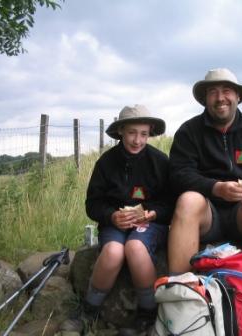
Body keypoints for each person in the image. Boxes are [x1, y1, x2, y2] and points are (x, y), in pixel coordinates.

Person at [168, 68, 242, 277]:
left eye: (227, 90)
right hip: (207, 215)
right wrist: (216, 188)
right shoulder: (188, 131)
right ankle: (181, 290)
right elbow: (178, 176)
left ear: (238, 96)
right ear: (205, 99)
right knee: (188, 200)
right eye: (213, 92)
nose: (220, 98)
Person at [76, 105, 172, 334]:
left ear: (150, 133)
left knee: (135, 248)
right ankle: (89, 311)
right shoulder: (106, 162)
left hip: (151, 225)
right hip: (114, 225)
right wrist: (111, 216)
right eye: (131, 132)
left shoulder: (160, 161)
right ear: (120, 131)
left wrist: (152, 213)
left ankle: (147, 316)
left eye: (144, 134)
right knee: (112, 252)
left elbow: (171, 202)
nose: (137, 140)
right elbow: (93, 204)